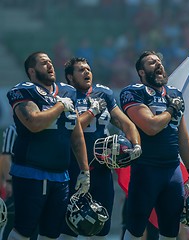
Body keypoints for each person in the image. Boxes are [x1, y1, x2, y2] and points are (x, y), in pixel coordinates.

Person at [6, 51, 90, 240]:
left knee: (51, 233)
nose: (50, 65)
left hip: (61, 176)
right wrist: (60, 106)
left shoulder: (67, 92)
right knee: (23, 230)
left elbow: (76, 136)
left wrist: (85, 171)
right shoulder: (25, 89)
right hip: (31, 172)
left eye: (51, 62)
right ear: (32, 70)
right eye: (44, 63)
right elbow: (34, 123)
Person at [119, 50, 189, 240]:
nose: (158, 64)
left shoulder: (174, 93)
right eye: (151, 62)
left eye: (159, 61)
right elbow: (150, 127)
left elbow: (184, 138)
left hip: (172, 171)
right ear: (141, 72)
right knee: (135, 229)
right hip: (146, 169)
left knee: (170, 232)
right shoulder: (133, 92)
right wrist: (171, 108)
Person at [59, 57, 141, 240]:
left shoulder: (103, 93)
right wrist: (92, 112)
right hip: (74, 169)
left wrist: (135, 144)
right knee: (68, 230)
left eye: (88, 69)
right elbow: (72, 128)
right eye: (81, 70)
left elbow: (125, 123)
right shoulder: (65, 94)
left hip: (102, 169)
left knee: (100, 227)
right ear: (70, 77)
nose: (87, 72)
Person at [0, 124, 17, 240]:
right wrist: (8, 181)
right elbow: (6, 156)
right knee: (10, 218)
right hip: (16, 181)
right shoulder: (13, 129)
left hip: (30, 181)